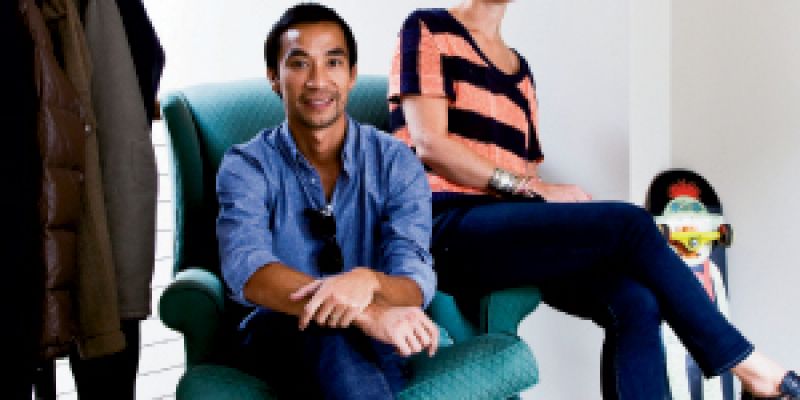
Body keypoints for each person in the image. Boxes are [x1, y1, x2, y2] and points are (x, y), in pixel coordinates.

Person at [388, 1, 799, 399]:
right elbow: (430, 144)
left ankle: (742, 368)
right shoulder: (428, 28)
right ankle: (747, 365)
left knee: (635, 301)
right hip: (445, 227)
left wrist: (559, 206)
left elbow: (525, 172)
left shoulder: (520, 72)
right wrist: (536, 190)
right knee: (631, 224)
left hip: (510, 232)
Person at [215, 3, 439, 399]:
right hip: (280, 330)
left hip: (377, 339)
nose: (318, 81)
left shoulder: (396, 161)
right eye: (299, 64)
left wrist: (369, 281)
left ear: (351, 75)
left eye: (333, 62)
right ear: (274, 77)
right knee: (331, 343)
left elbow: (413, 280)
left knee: (364, 362)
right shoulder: (246, 165)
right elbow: (248, 269)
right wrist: (365, 311)